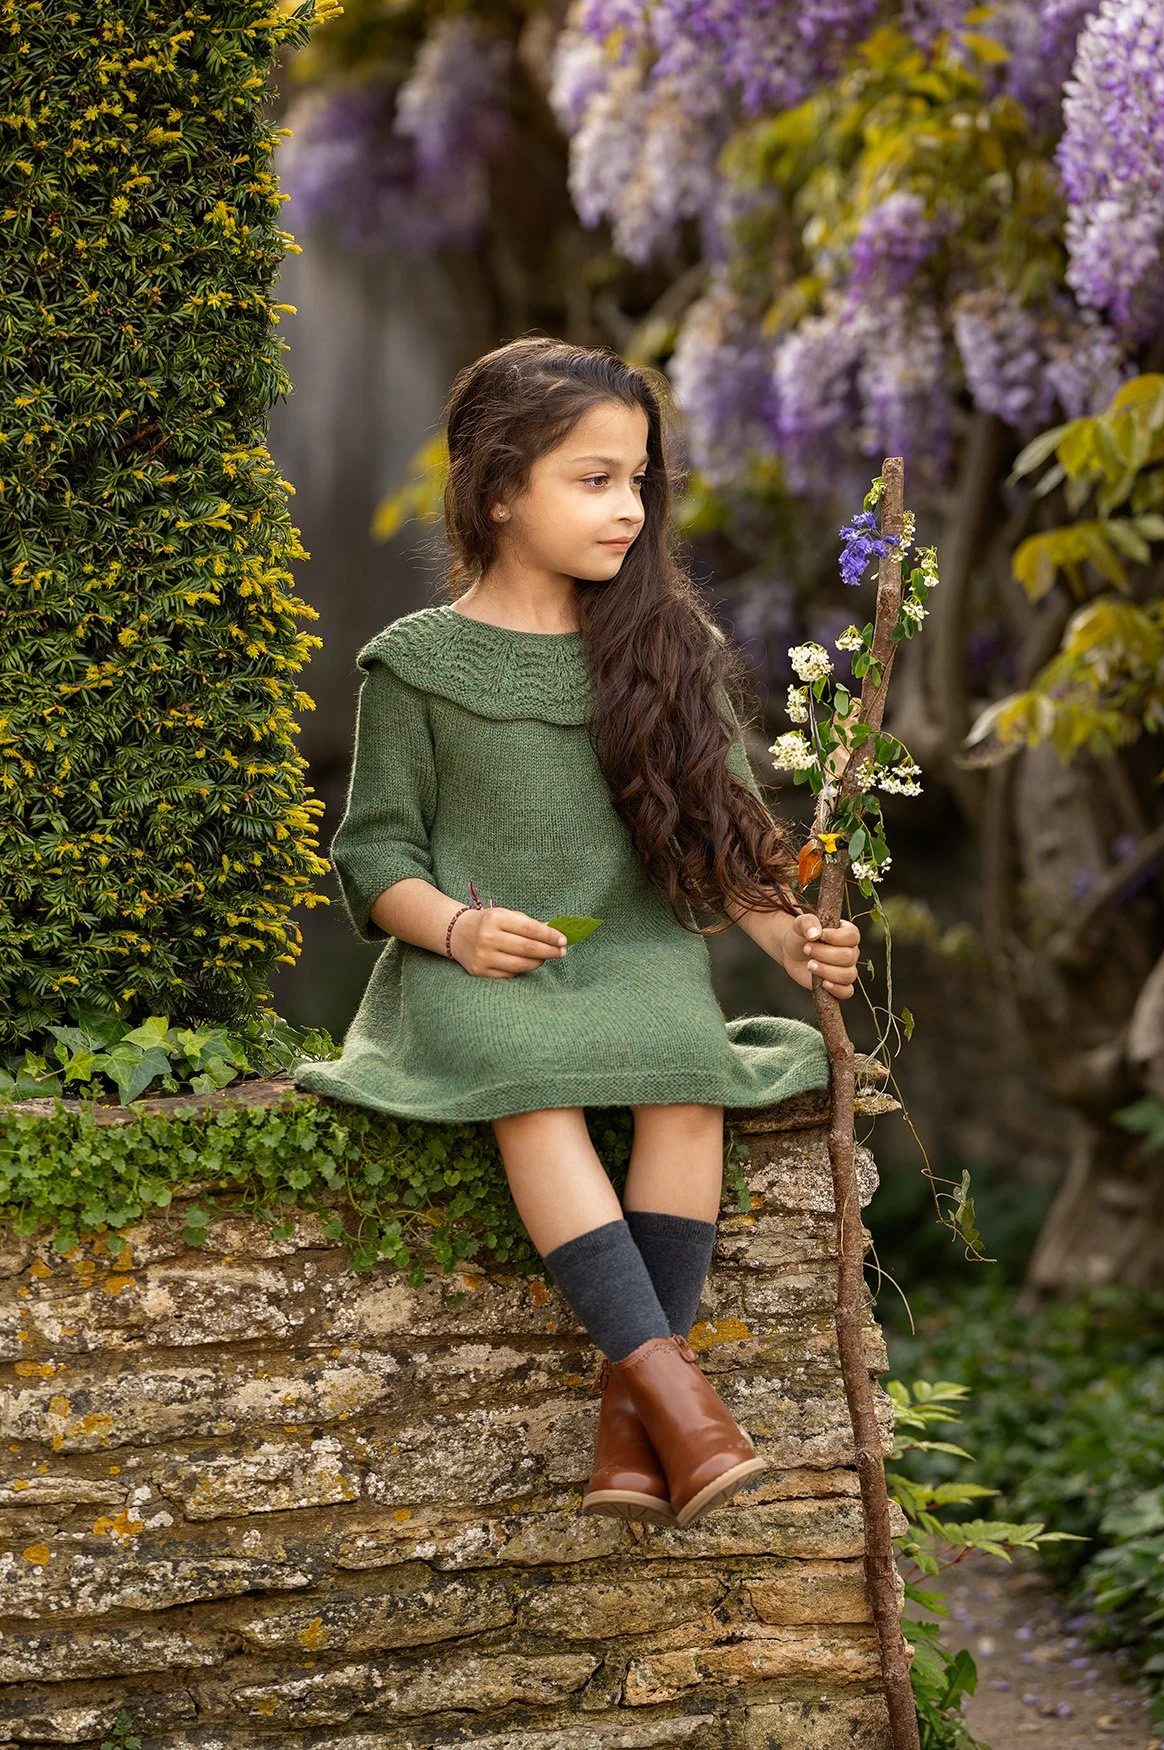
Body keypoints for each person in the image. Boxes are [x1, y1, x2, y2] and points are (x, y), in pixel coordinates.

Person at [294, 336, 862, 1531]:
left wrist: (798, 945)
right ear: (499, 489)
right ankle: (676, 1395)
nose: (628, 507)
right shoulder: (413, 666)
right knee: (531, 1081)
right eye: (591, 478)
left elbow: (733, 841)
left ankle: (633, 1420)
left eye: (638, 479)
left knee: (685, 1074)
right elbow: (374, 853)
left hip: (636, 950)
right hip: (477, 969)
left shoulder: (669, 652)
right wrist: (454, 927)